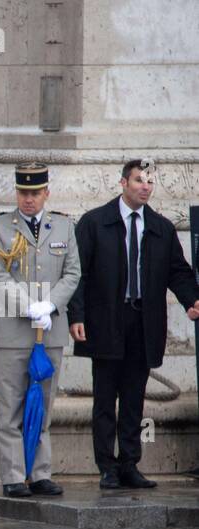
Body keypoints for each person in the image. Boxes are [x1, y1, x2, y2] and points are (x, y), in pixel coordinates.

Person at [73, 158, 199, 489]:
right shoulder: (94, 223)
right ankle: (106, 466)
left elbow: (178, 271)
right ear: (123, 184)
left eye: (149, 182)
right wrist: (77, 317)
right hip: (106, 321)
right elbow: (78, 274)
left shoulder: (160, 227)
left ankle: (129, 462)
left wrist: (191, 300)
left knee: (133, 397)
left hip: (143, 322)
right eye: (139, 180)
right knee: (105, 398)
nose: (145, 187)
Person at [0, 162, 82, 498]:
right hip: (14, 332)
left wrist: (50, 305)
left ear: (46, 193)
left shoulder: (64, 227)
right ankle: (13, 475)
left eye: (35, 193)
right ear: (17, 193)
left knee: (44, 405)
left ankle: (39, 473)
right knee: (10, 407)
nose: (29, 199)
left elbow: (72, 274)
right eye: (23, 192)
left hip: (50, 330)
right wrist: (29, 307)